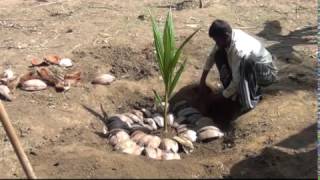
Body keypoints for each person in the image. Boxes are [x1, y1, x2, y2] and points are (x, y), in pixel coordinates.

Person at [199, 19, 278, 115]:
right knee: (218, 55)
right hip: (247, 66)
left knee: (245, 64)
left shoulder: (239, 49)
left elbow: (237, 80)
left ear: (226, 36)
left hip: (266, 73)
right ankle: (231, 93)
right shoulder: (225, 38)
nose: (216, 43)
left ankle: (250, 100)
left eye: (217, 40)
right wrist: (202, 81)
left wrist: (218, 97)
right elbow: (211, 56)